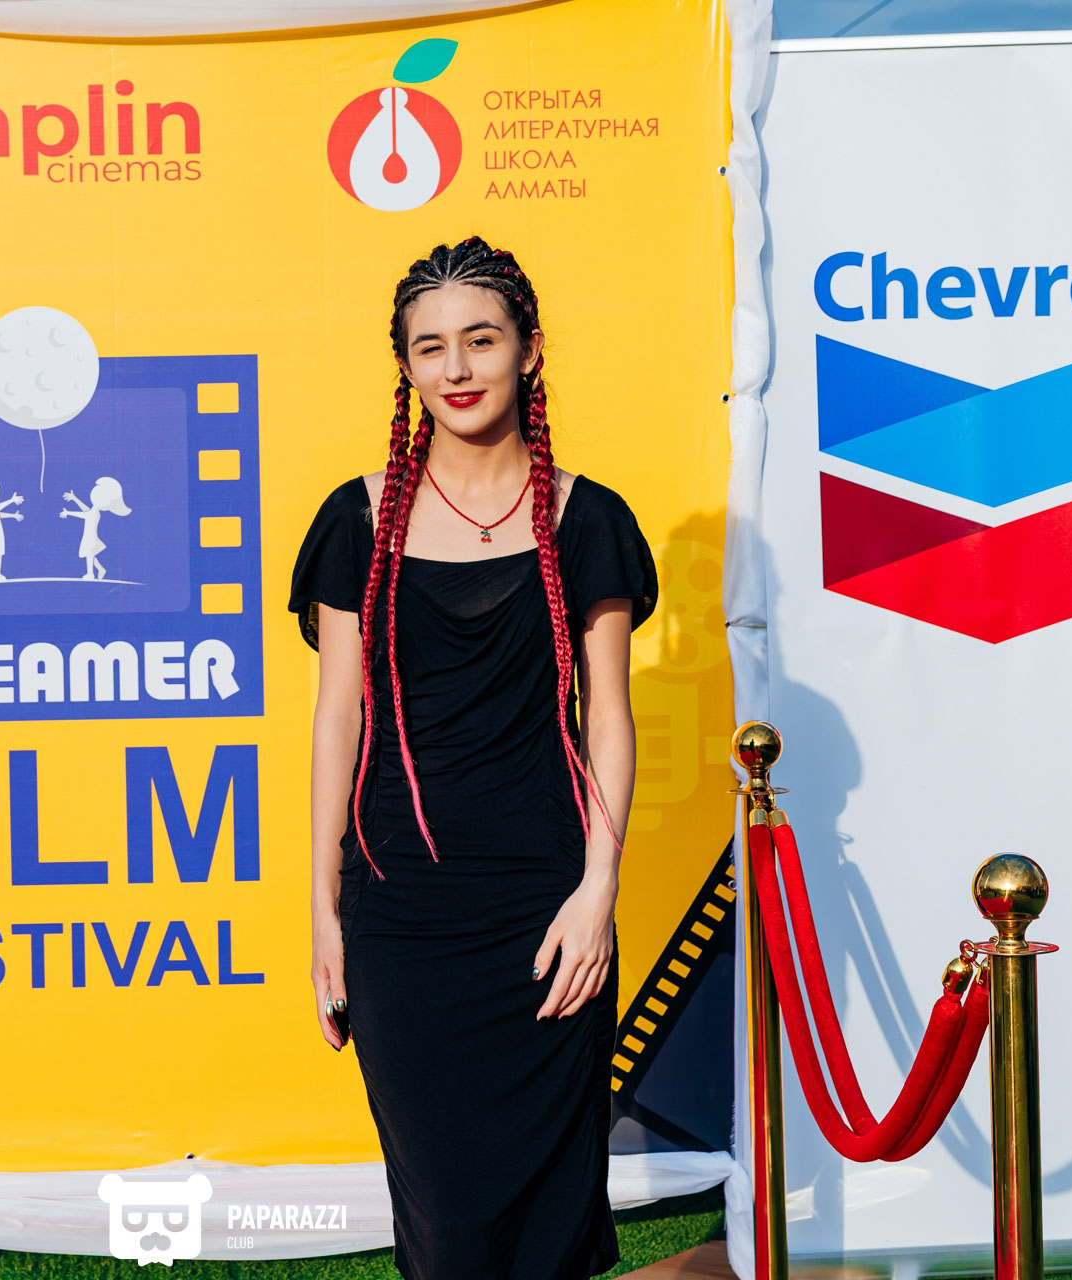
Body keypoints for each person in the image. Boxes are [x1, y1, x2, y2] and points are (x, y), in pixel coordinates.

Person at [287, 236, 658, 1280]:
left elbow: (608, 718)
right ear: (406, 367)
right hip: (400, 912)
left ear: (529, 351)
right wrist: (322, 907)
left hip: (547, 906)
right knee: (446, 1223)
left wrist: (598, 889)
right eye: (430, 346)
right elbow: (337, 719)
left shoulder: (589, 519)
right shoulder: (355, 521)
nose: (455, 368)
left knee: (548, 1223)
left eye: (481, 339)